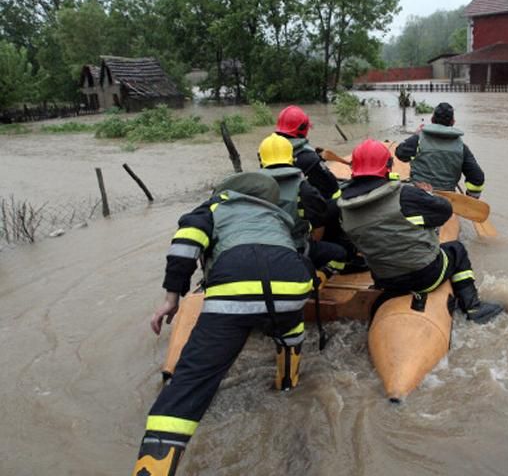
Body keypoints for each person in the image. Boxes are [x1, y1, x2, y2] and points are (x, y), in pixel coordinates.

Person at [132, 172, 314, 476]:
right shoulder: (278, 216)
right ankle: (287, 387)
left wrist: (171, 298)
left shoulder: (214, 208)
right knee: (290, 330)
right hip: (291, 284)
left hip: (235, 284)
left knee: (189, 385)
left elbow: (185, 244)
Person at [337, 139, 503, 324]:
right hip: (423, 275)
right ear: (388, 166)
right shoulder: (405, 195)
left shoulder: (342, 208)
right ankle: (474, 307)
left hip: (384, 279)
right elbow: (444, 212)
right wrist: (427, 195)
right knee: (457, 250)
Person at [275, 105, 364, 271]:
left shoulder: (270, 151)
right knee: (341, 201)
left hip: (281, 212)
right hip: (303, 215)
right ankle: (346, 255)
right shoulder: (309, 158)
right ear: (303, 129)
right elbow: (331, 188)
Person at [258, 133, 347, 273]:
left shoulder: (252, 187)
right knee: (340, 254)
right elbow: (319, 224)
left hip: (262, 249)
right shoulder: (304, 188)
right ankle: (320, 275)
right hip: (296, 248)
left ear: (261, 159)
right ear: (292, 157)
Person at [395, 102, 486, 199]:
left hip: (418, 194)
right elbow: (477, 178)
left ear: (432, 120)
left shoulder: (418, 139)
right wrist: (471, 197)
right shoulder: (462, 148)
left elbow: (400, 153)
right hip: (446, 200)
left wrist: (416, 135)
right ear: (453, 122)